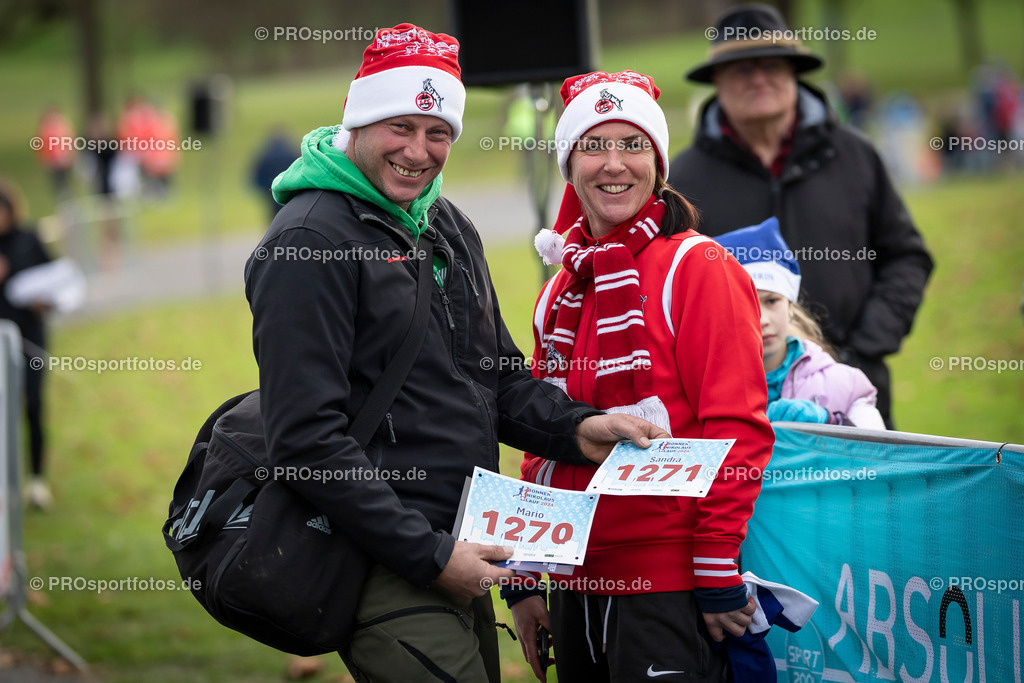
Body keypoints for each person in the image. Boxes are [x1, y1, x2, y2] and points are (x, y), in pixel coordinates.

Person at [243, 25, 667, 683]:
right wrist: (431, 554)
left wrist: (580, 427)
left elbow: (499, 381)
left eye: (436, 132)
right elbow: (305, 441)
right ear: (357, 122)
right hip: (384, 558)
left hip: (466, 544)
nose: (418, 151)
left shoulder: (446, 224)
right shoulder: (307, 242)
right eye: (399, 128)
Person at [506, 70, 775, 683]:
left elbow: (738, 428)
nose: (613, 165)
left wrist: (713, 561)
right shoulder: (561, 288)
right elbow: (542, 434)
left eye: (633, 145)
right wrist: (524, 574)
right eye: (594, 145)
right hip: (576, 581)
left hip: (669, 580)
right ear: (568, 163)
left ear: (658, 161)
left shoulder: (699, 267)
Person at [668, 3, 933, 429]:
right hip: (731, 407)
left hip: (853, 390)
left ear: (793, 71)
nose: (758, 78)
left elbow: (906, 257)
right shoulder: (683, 178)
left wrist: (864, 346)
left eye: (771, 64)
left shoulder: (854, 154)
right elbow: (671, 292)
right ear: (716, 81)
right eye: (740, 68)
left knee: (861, 495)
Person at [716, 217, 886, 430]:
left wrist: (831, 422)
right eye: (746, 306)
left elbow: (875, 454)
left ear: (790, 306)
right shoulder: (707, 392)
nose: (763, 320)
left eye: (772, 301)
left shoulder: (844, 385)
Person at [0, 179, 54, 509]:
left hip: (30, 340)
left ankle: (37, 481)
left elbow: (56, 279)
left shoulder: (29, 240)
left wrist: (43, 300)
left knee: (32, 406)